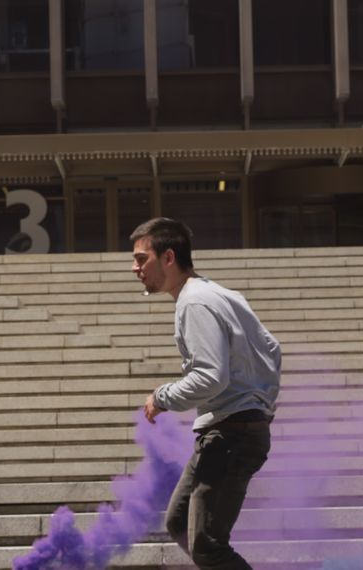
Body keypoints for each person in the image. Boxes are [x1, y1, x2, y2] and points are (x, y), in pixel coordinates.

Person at [130, 217, 282, 569]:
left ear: (168, 257)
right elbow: (272, 349)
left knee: (207, 544)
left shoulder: (194, 302)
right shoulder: (219, 293)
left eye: (141, 259)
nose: (134, 267)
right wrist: (261, 399)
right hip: (233, 427)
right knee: (179, 522)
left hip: (231, 432)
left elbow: (210, 377)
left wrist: (162, 396)